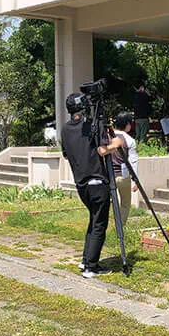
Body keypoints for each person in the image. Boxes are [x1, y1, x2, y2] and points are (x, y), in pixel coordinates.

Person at [60, 93, 123, 279]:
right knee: (99, 225)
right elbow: (102, 150)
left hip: (81, 185)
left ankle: (86, 260)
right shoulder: (92, 126)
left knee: (94, 220)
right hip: (97, 182)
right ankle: (91, 267)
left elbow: (65, 154)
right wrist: (116, 144)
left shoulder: (65, 129)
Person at [112, 111, 139, 225]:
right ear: (127, 124)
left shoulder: (107, 136)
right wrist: (135, 180)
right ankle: (120, 226)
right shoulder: (130, 140)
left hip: (109, 175)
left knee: (111, 202)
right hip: (123, 176)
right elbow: (133, 161)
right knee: (125, 203)